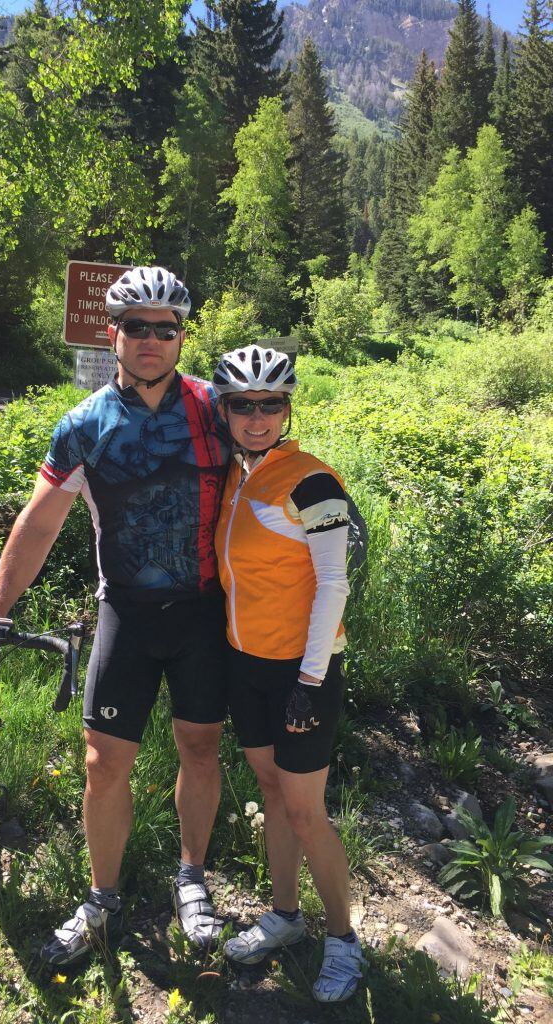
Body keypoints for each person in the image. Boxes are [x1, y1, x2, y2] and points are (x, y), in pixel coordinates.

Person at [0, 267, 231, 966]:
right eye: (136, 326)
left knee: (201, 749)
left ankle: (192, 876)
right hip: (127, 614)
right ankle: (103, 896)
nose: (150, 339)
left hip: (205, 613)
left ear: (181, 337)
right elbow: (40, 523)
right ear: (113, 334)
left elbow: (268, 487)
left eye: (165, 327)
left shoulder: (216, 409)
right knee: (102, 764)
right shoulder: (85, 426)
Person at [211, 344, 365, 1003]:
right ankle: (285, 916)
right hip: (245, 664)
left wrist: (309, 679)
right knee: (273, 792)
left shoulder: (312, 481)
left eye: (270, 404)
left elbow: (334, 583)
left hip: (303, 672)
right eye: (242, 405)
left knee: (305, 811)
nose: (256, 417)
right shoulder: (234, 476)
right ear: (224, 410)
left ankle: (344, 940)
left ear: (287, 408)